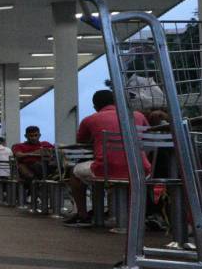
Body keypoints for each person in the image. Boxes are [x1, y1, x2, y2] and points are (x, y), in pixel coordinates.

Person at [63, 89, 151, 226]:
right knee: (125, 174)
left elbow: (81, 141)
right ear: (116, 102)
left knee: (75, 172)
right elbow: (149, 138)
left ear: (95, 107)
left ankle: (82, 214)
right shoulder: (137, 115)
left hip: (105, 169)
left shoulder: (90, 119)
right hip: (141, 169)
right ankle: (137, 216)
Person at [12, 125, 55, 192]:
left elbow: (56, 150)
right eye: (31, 136)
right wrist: (34, 153)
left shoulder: (45, 144)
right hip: (31, 168)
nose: (34, 138)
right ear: (26, 136)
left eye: (35, 135)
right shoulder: (20, 146)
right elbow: (18, 155)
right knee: (34, 166)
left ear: (39, 135)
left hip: (47, 166)